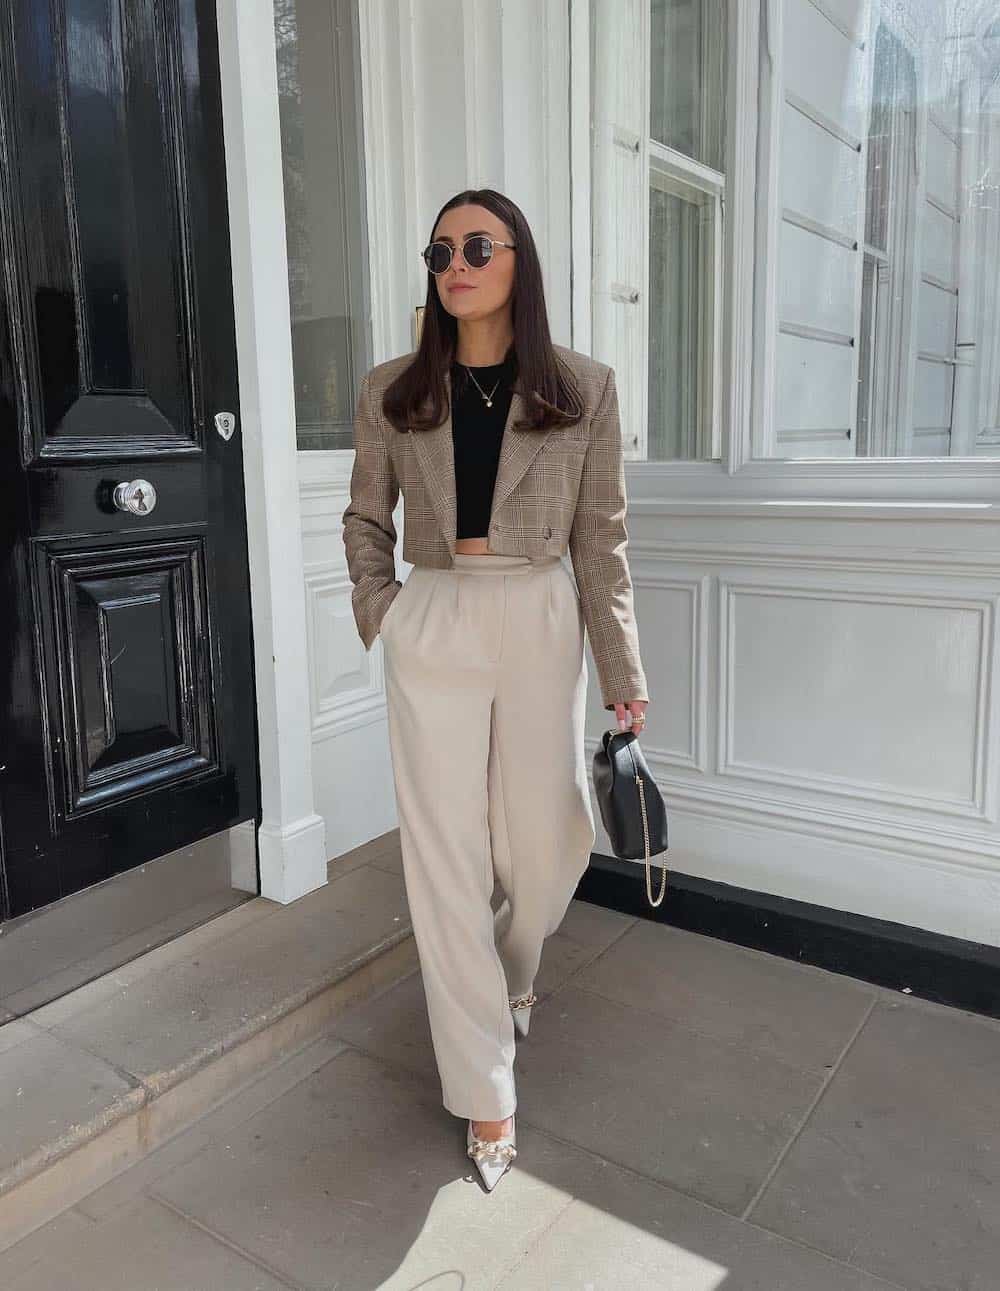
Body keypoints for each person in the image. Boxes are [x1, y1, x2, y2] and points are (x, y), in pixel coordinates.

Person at [342, 188, 648, 1190]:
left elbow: (600, 541)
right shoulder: (394, 387)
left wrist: (622, 675)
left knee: (546, 835)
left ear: (520, 260)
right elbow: (363, 518)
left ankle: (516, 970)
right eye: (440, 248)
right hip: (435, 615)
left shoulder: (582, 387)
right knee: (444, 859)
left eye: (478, 243)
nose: (456, 261)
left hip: (540, 614)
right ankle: (487, 1090)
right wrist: (385, 611)